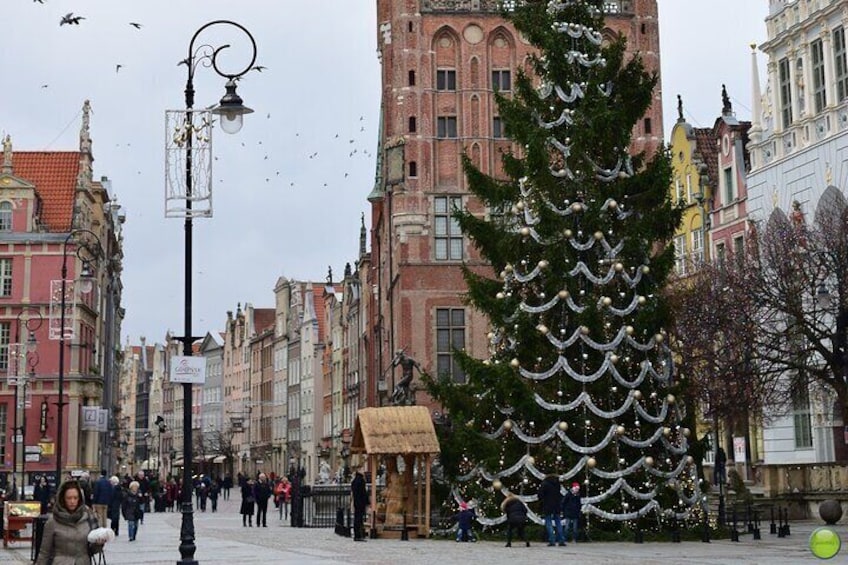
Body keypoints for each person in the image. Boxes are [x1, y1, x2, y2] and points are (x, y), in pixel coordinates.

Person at [35, 480, 101, 564]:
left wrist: (98, 544)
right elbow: (44, 552)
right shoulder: (53, 521)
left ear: (80, 499)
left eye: (75, 498)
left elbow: (92, 550)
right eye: (69, 498)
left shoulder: (88, 517)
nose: (72, 501)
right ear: (63, 499)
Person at [538, 474, 565, 546]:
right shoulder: (557, 484)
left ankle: (552, 540)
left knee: (549, 522)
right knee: (558, 522)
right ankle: (561, 540)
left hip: (547, 505)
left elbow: (540, 495)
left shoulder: (544, 484)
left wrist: (542, 501)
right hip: (557, 505)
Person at [351, 464, 368, 541]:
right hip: (360, 502)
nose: (364, 471)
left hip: (357, 502)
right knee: (359, 519)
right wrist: (366, 501)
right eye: (362, 469)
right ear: (359, 470)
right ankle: (358, 535)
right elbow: (363, 493)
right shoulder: (360, 480)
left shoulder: (355, 480)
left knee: (357, 518)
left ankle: (358, 534)